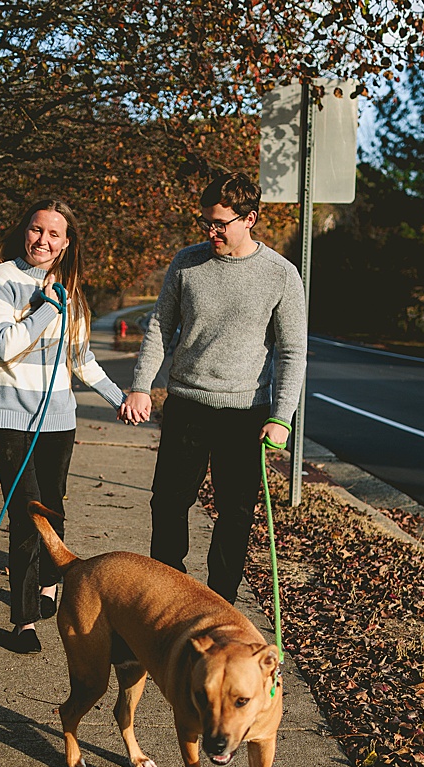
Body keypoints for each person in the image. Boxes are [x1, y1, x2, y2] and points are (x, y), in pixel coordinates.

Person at [119, 171, 307, 604]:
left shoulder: (280, 274)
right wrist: (141, 386)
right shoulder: (186, 263)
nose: (211, 231)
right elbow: (160, 328)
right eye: (206, 221)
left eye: (221, 223)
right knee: (167, 504)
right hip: (186, 403)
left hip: (246, 412)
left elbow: (293, 351)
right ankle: (167, 593)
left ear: (250, 219)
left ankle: (220, 601)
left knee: (236, 513)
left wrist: (282, 416)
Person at [0, 198, 127, 653]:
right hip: (8, 417)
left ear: (66, 243)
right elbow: (6, 344)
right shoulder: (1, 278)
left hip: (58, 418)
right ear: (26, 231)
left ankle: (45, 587)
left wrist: (121, 399)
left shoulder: (72, 290)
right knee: (27, 515)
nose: (43, 240)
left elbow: (81, 359)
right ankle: (23, 622)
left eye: (54, 234)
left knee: (53, 508)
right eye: (37, 230)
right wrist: (45, 307)